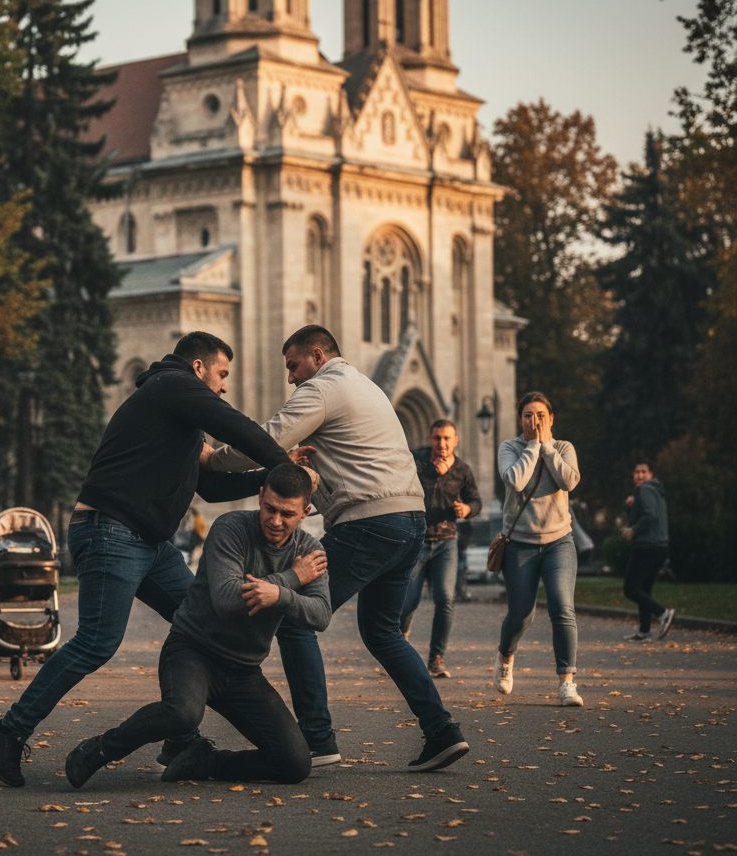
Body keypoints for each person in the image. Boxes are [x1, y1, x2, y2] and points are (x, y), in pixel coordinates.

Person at [0, 331, 297, 788]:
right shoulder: (172, 384)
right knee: (96, 642)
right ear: (199, 367)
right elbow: (235, 425)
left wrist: (271, 480)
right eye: (223, 374)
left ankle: (180, 739)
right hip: (111, 530)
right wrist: (285, 465)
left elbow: (208, 487)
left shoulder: (177, 419)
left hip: (145, 540)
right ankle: (8, 731)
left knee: (201, 622)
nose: (225, 386)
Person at [204, 325, 470, 772]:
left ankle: (318, 740)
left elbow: (267, 440)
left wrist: (213, 459)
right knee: (382, 632)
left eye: (293, 365)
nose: (291, 377)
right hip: (410, 521)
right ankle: (441, 731)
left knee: (295, 617)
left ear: (318, 355)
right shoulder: (365, 386)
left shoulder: (324, 388)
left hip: (371, 523)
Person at [63, 464, 330, 788]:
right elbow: (227, 600)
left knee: (295, 763)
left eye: (287, 514)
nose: (275, 520)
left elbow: (320, 615)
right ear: (260, 496)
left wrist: (280, 594)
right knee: (182, 714)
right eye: (269, 508)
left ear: (305, 512)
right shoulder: (231, 528)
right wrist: (291, 579)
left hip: (243, 670)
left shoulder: (310, 552)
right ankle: (99, 749)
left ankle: (205, 760)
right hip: (193, 651)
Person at [495, 391, 583, 706]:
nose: (535, 420)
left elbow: (569, 481)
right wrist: (533, 446)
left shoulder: (563, 448)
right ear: (520, 420)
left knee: (562, 607)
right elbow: (515, 481)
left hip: (559, 541)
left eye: (541, 415)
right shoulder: (510, 448)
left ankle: (567, 682)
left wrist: (547, 447)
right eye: (529, 415)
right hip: (519, 543)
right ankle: (506, 655)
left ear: (551, 418)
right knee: (521, 615)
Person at [400, 420, 482, 678]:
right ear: (430, 438)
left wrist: (467, 510)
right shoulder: (417, 462)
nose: (442, 444)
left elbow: (476, 501)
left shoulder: (462, 470)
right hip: (417, 542)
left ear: (455, 440)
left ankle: (436, 658)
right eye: (437, 438)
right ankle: (399, 644)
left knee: (445, 599)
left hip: (447, 542)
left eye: (447, 438)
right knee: (408, 602)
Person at [621, 460, 674, 641]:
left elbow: (650, 517)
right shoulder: (657, 492)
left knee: (630, 588)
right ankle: (644, 631)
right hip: (660, 547)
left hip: (646, 547)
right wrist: (631, 507)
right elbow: (649, 514)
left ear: (651, 474)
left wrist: (633, 530)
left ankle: (662, 613)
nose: (640, 475)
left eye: (644, 472)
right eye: (637, 472)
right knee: (644, 589)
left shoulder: (645, 490)